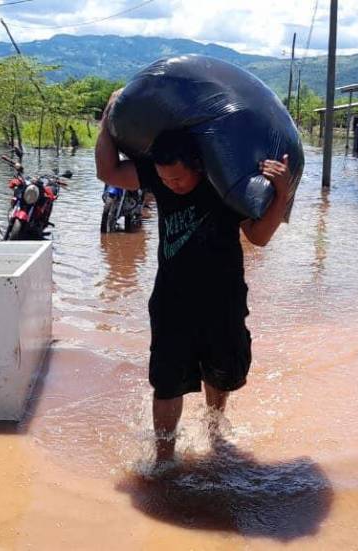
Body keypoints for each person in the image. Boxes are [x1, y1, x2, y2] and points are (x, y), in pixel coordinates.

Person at [95, 91, 294, 465]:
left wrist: (280, 194)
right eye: (166, 179)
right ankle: (163, 458)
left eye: (179, 179)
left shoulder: (226, 180)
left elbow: (259, 237)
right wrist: (107, 119)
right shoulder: (157, 176)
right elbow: (108, 172)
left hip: (224, 297)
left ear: (199, 166)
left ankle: (215, 431)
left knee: (221, 374)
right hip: (172, 298)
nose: (173, 185)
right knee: (167, 381)